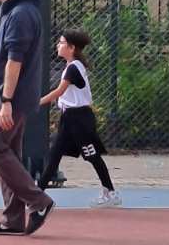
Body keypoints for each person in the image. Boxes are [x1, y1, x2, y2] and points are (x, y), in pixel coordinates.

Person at [0, 0, 53, 236]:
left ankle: (39, 201)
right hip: (3, 97)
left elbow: (14, 61)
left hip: (12, 98)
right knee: (8, 153)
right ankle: (13, 220)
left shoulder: (20, 14)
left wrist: (6, 101)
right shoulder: (12, 11)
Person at [37, 29, 121, 207]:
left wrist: (36, 103)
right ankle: (37, 196)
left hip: (79, 120)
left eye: (61, 42)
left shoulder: (74, 68)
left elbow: (58, 91)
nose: (57, 45)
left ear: (71, 47)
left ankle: (110, 193)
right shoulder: (73, 66)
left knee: (92, 156)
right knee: (54, 154)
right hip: (70, 118)